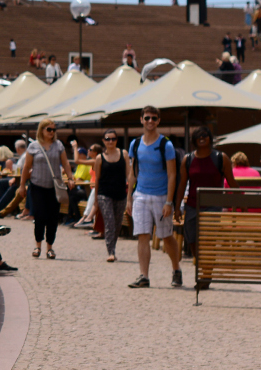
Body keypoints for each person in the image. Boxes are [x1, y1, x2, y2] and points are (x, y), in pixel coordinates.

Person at [126, 105, 182, 288]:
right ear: (141, 120)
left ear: (159, 121)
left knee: (166, 235)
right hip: (141, 194)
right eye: (147, 118)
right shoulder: (135, 144)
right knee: (142, 235)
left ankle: (176, 269)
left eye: (154, 118)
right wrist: (129, 198)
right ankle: (144, 276)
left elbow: (172, 174)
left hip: (161, 196)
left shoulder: (166, 144)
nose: (150, 121)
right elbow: (133, 173)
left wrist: (169, 201)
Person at [18, 119, 70, 259]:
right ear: (42, 130)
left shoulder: (58, 145)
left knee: (52, 218)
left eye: (54, 129)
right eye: (49, 129)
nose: (52, 132)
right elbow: (26, 167)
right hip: (37, 186)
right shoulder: (33, 146)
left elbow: (65, 162)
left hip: (54, 187)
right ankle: (38, 245)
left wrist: (70, 178)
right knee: (40, 216)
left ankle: (50, 247)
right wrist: (22, 185)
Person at [178, 128, 231, 264]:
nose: (201, 138)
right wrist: (177, 207)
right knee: (192, 240)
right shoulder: (188, 159)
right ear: (194, 140)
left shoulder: (221, 158)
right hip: (191, 205)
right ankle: (202, 265)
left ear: (210, 138)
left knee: (209, 240)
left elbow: (232, 182)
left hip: (213, 205)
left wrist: (241, 203)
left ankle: (207, 272)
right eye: (198, 136)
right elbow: (182, 184)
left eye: (204, 135)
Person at [95, 131, 127, 262]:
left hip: (120, 193)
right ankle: (111, 251)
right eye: (108, 139)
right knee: (110, 223)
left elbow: (129, 174)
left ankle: (113, 246)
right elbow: (97, 179)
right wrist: (95, 199)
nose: (110, 141)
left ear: (116, 140)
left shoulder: (123, 154)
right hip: (104, 194)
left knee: (118, 224)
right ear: (103, 140)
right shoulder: (99, 158)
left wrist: (129, 193)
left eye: (113, 139)